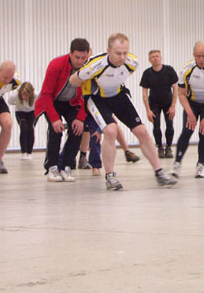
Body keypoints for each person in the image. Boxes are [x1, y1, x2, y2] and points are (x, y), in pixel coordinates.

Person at [68, 33, 177, 190]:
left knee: (142, 131)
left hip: (118, 95)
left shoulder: (132, 63)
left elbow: (118, 76)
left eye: (125, 53)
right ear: (108, 51)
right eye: (118, 53)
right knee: (111, 131)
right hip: (97, 97)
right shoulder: (95, 65)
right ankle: (110, 177)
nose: (122, 57)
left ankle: (159, 172)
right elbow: (73, 80)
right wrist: (83, 79)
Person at [35, 38, 89, 182]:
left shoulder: (89, 68)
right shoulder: (56, 64)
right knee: (55, 130)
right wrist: (54, 119)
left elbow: (88, 95)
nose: (80, 61)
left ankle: (67, 166)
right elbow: (46, 93)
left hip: (73, 103)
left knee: (77, 130)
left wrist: (81, 118)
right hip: (52, 102)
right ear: (70, 53)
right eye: (77, 57)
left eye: (84, 58)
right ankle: (52, 167)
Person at [171, 41, 204, 179]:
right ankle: (177, 163)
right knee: (187, 131)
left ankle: (200, 165)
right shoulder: (186, 70)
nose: (201, 60)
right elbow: (181, 94)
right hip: (192, 104)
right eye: (198, 56)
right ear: (194, 55)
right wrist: (189, 113)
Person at [140, 50, 178, 159]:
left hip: (168, 103)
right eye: (153, 57)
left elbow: (175, 88)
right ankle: (160, 147)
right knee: (156, 126)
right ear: (149, 60)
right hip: (154, 103)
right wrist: (148, 110)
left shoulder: (169, 70)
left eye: (157, 56)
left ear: (160, 58)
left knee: (169, 125)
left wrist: (173, 106)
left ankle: (169, 147)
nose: (155, 58)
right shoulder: (147, 73)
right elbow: (144, 92)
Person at [8, 81, 36, 160]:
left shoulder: (36, 94)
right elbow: (10, 102)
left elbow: (41, 102)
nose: (24, 97)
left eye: (27, 95)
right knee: (23, 128)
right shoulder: (15, 95)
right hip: (20, 112)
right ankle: (24, 152)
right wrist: (18, 103)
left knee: (30, 128)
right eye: (23, 94)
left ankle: (29, 152)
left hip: (32, 112)